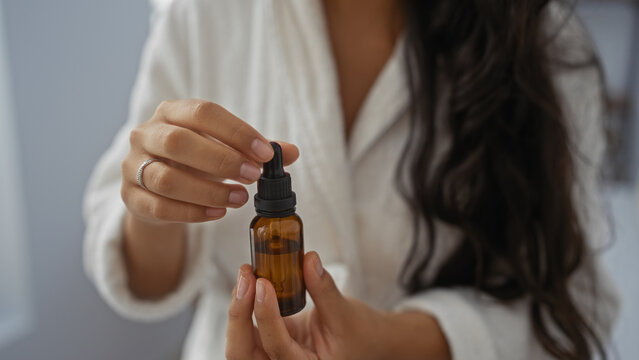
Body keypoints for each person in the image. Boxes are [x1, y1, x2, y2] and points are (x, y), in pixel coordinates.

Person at [83, 0, 620, 359]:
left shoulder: (538, 35)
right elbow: (140, 276)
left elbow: (575, 297)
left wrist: (397, 343)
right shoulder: (204, 11)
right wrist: (155, 202)